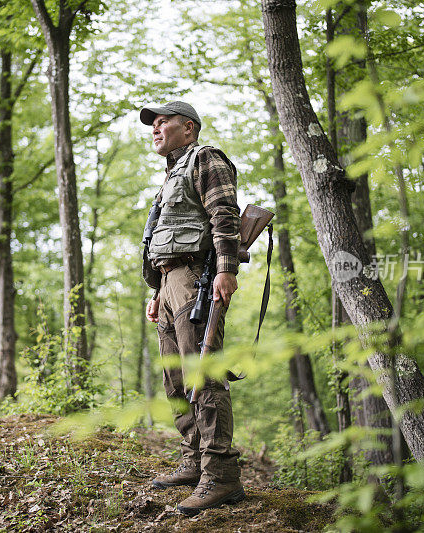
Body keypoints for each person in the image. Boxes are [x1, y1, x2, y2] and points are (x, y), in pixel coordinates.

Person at [139, 101, 245, 516]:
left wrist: (225, 270)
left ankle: (220, 475)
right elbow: (163, 237)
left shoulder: (206, 159)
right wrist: (156, 290)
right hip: (168, 282)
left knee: (203, 374)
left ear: (189, 127)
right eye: (153, 124)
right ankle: (193, 457)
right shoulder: (171, 176)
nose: (155, 128)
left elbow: (224, 214)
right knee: (175, 377)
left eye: (163, 122)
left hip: (195, 277)